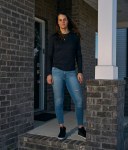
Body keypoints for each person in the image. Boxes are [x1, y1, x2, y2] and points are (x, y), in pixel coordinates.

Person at [47, 12, 86, 140]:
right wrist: (48, 73)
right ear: (57, 22)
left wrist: (80, 71)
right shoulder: (53, 38)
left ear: (67, 21)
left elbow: (78, 55)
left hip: (71, 73)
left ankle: (80, 128)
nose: (62, 22)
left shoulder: (74, 37)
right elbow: (49, 57)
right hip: (56, 72)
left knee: (79, 101)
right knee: (59, 101)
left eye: (64, 19)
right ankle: (62, 127)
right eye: (60, 20)